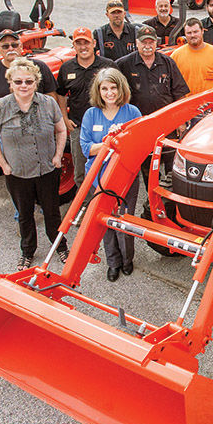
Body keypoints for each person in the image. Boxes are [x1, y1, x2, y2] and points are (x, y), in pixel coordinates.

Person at [0, 57, 68, 270]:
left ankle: (60, 246)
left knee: (52, 213)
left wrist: (58, 155)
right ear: (10, 83)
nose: (24, 86)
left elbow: (61, 130)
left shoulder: (48, 103)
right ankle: (27, 251)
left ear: (36, 83)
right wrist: (4, 165)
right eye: (18, 81)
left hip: (47, 170)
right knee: (24, 215)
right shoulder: (0, 107)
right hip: (18, 173)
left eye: (29, 81)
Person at [80, 67, 142, 282]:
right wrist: (108, 141)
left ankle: (127, 259)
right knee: (104, 222)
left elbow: (140, 145)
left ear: (121, 88)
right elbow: (86, 148)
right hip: (99, 177)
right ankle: (113, 262)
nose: (109, 93)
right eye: (104, 88)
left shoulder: (132, 112)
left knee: (123, 219)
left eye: (113, 87)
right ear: (98, 91)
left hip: (126, 177)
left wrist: (122, 139)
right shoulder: (91, 114)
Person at [55, 27, 116, 188]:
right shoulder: (66, 68)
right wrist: (64, 118)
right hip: (79, 126)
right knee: (81, 172)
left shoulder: (108, 65)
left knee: (109, 167)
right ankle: (86, 201)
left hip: (106, 125)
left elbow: (120, 92)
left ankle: (107, 199)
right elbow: (61, 94)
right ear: (74, 46)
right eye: (79, 43)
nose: (83, 47)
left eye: (86, 43)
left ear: (94, 43)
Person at [116, 24, 190, 115]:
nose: (147, 46)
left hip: (166, 117)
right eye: (144, 42)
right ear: (137, 42)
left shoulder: (168, 62)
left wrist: (181, 117)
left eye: (151, 42)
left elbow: (180, 94)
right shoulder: (123, 64)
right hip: (136, 118)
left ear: (156, 43)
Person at [171, 17, 213, 93]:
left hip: (210, 99)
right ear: (185, 34)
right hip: (186, 99)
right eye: (189, 33)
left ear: (202, 31)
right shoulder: (176, 55)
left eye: (195, 32)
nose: (192, 35)